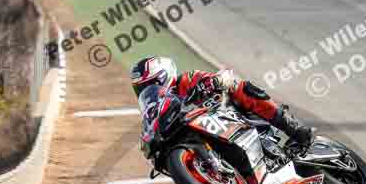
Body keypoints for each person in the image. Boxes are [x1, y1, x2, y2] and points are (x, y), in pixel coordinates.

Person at [131, 56, 314, 147]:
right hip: (214, 143)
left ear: (163, 75)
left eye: (150, 84)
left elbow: (225, 76)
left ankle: (291, 125)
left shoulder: (187, 80)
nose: (146, 90)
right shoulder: (159, 112)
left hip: (239, 120)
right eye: (141, 88)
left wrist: (214, 82)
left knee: (240, 87)